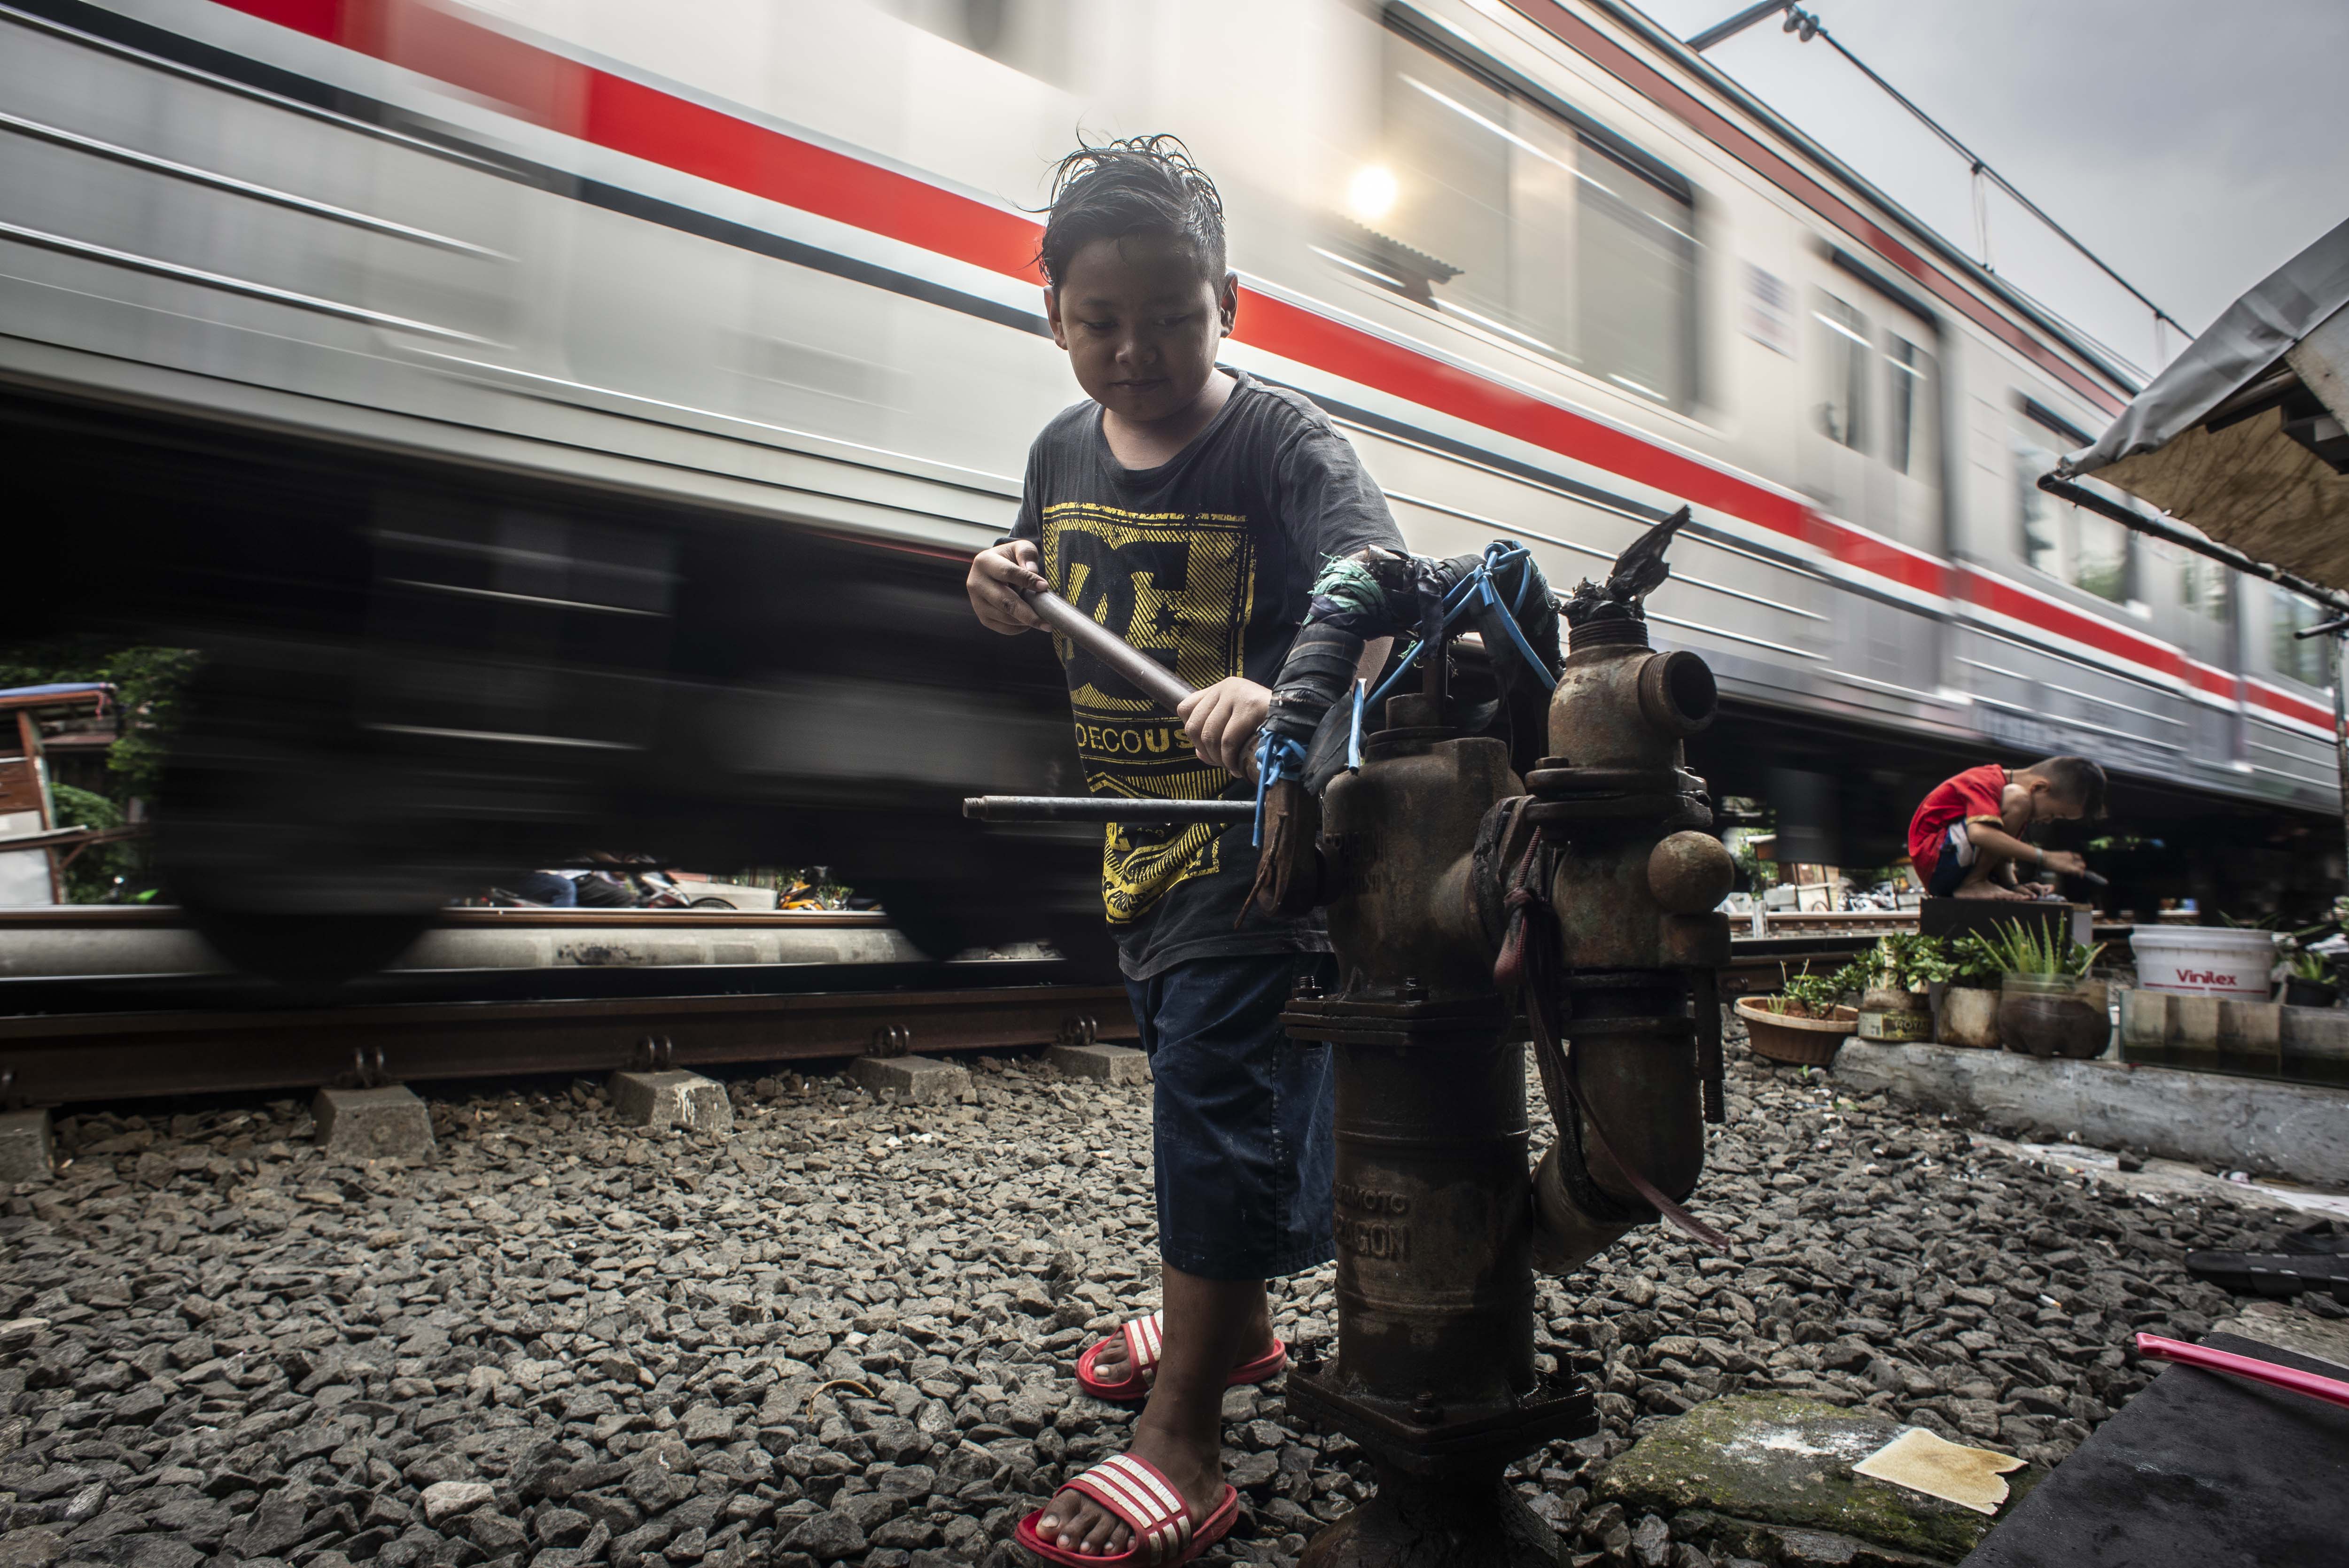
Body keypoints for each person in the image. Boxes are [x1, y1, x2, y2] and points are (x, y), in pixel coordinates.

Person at [965, 135, 1400, 1565]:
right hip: (1138, 840)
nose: (1134, 349)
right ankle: (1246, 1317)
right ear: (1054, 317)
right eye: (1099, 321)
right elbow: (1039, 570)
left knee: (1213, 1097)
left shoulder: (1280, 441)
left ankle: (1186, 1430)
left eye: (1172, 315)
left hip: (1263, 842)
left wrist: (1284, 686)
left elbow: (1377, 586)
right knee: (1193, 1075)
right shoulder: (1056, 444)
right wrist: (1001, 585)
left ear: (1233, 305)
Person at [1907, 756, 2106, 900]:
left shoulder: (2009, 807)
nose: (2048, 821)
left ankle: (1980, 882)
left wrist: (2012, 885)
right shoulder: (1986, 781)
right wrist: (2045, 857)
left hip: (1952, 860)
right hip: (1935, 858)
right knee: (2018, 799)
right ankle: (1974, 883)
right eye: (2055, 814)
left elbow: (1999, 849)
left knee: (2009, 815)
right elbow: (1980, 834)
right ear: (2039, 788)